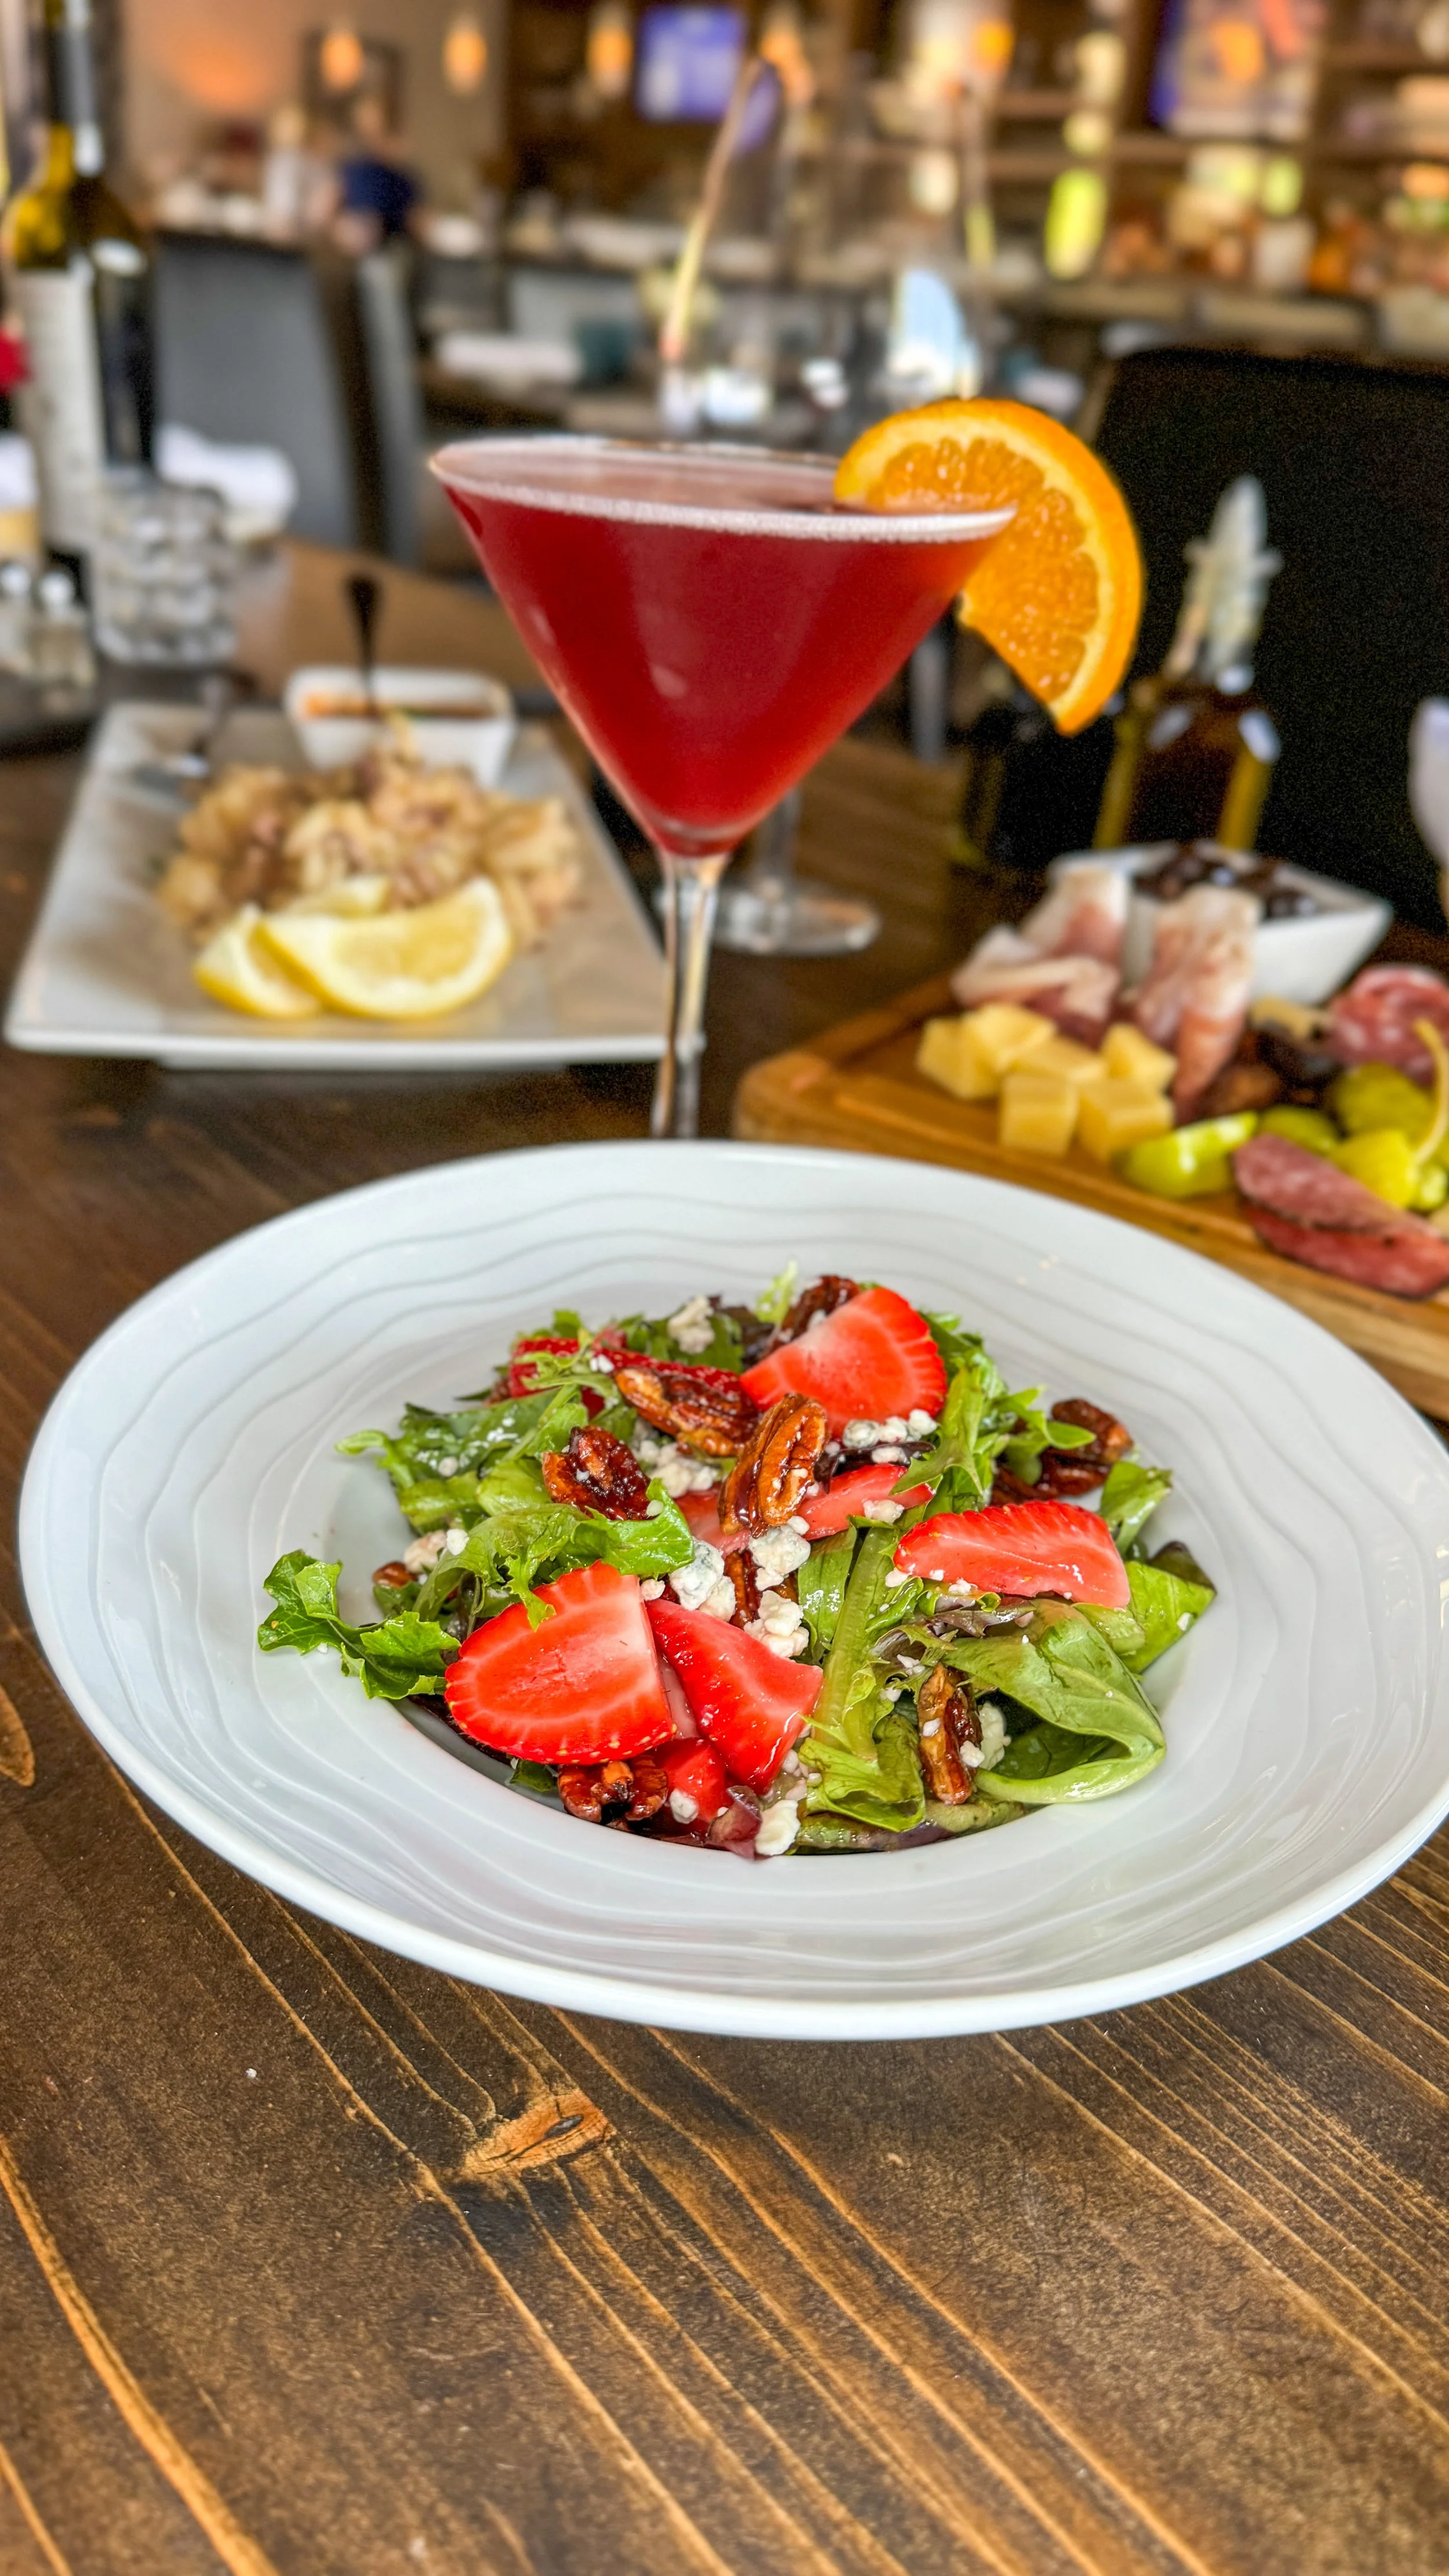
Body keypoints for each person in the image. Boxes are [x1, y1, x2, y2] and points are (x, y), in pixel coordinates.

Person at [334, 97, 421, 252]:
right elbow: (328, 211)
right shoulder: (351, 170)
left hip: (392, 248)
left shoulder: (402, 178)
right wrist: (342, 226)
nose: (373, 136)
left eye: (379, 129)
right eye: (367, 129)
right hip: (351, 248)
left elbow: (416, 218)